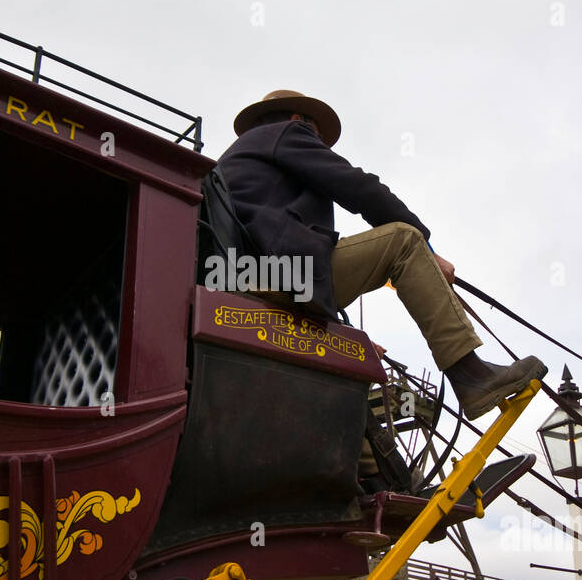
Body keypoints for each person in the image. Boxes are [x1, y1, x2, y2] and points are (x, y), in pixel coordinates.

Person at [217, 89, 546, 421]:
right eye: (317, 135)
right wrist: (430, 252)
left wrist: (344, 335)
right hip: (283, 273)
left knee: (343, 377)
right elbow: (358, 187)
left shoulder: (236, 159)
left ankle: (373, 469)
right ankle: (472, 377)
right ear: (297, 118)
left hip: (245, 280)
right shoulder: (287, 133)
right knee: (403, 241)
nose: (319, 144)